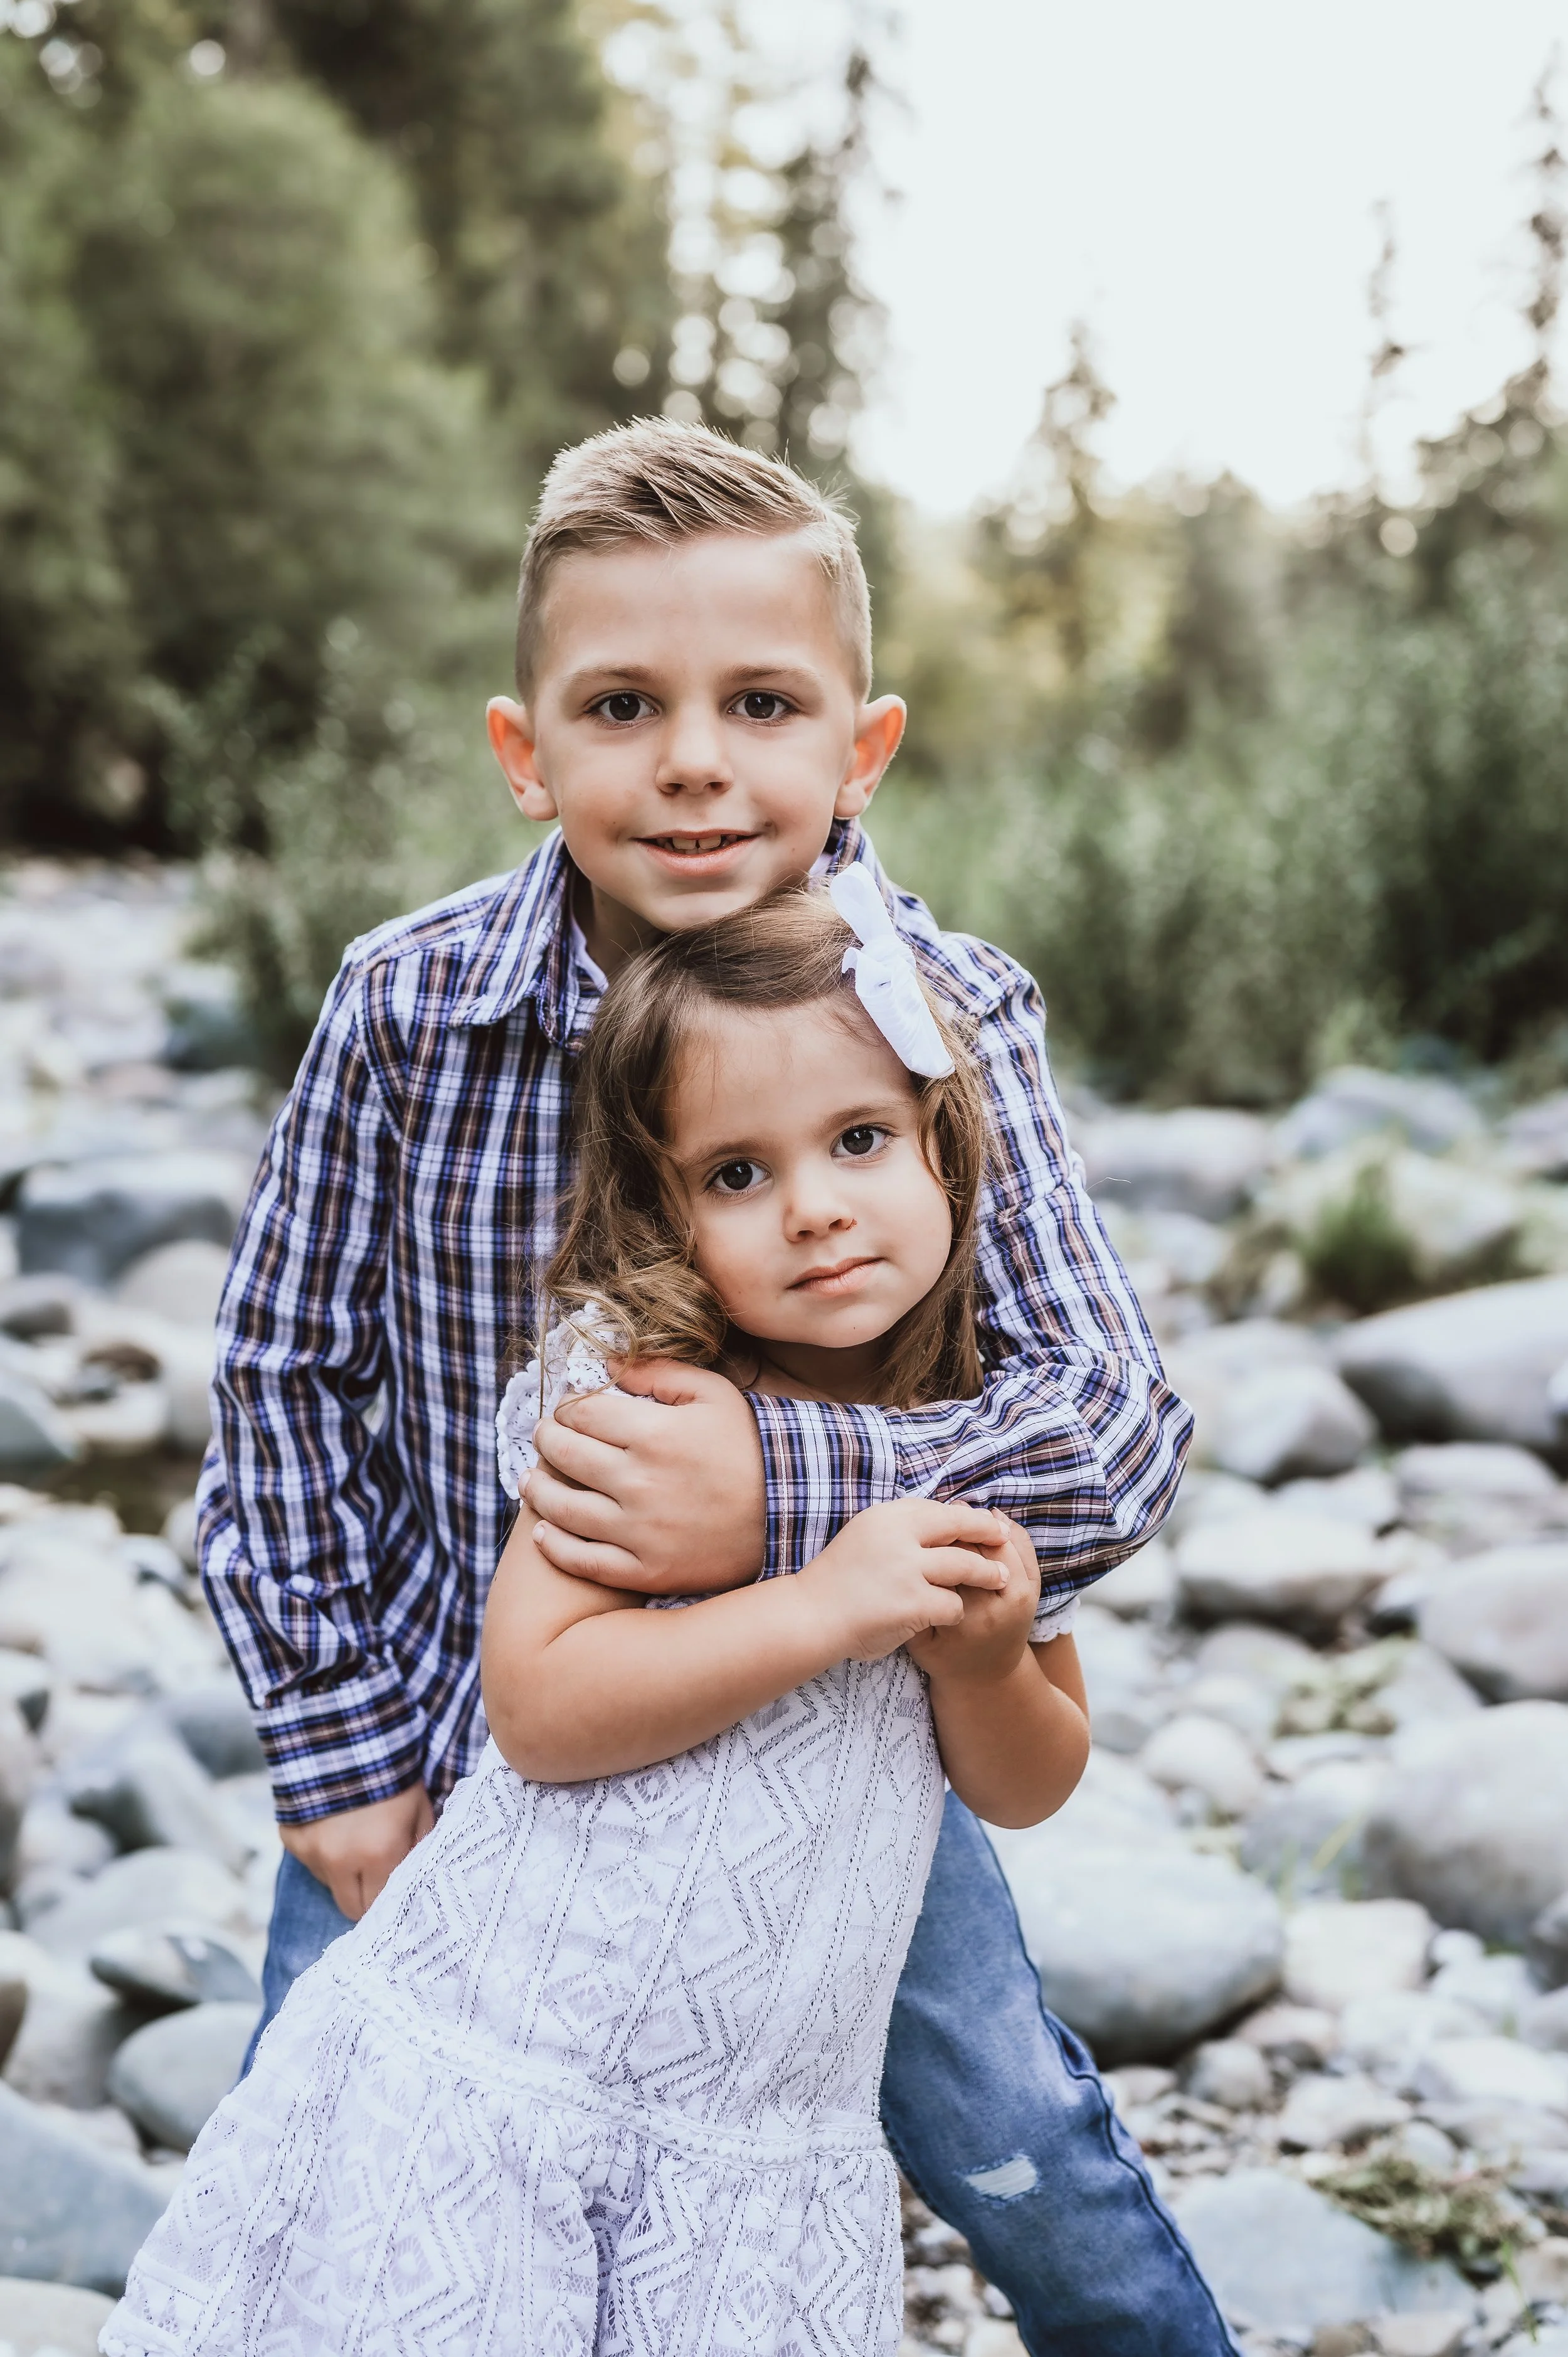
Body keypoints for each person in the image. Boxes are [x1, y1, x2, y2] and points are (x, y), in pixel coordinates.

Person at [188, 420, 1229, 2351]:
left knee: (1019, 2135)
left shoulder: (947, 1012)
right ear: (527, 755)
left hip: (819, 1782)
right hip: (449, 1745)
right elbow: (282, 1378)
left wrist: (783, 1490)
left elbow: (1112, 1414)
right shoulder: (408, 1007)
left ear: (862, 745)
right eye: (620, 704)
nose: (690, 758)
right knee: (324, 2156)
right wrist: (336, 1751)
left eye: (760, 701)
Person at [105, 883, 1094, 2356]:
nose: (814, 1205)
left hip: (755, 2131)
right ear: (665, 1214)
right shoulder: (642, 1410)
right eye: (737, 1175)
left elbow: (1031, 1783)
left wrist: (984, 1660)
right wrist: (825, 1604)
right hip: (526, 2062)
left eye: (860, 1141)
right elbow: (544, 1707)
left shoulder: (979, 1444)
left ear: (949, 1151)